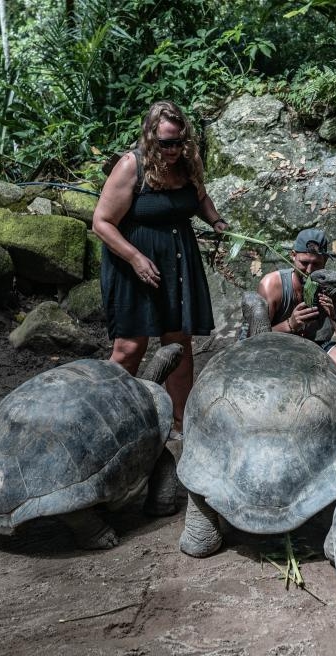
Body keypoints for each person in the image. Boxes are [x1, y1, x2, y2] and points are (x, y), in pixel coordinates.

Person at [92, 99, 228, 439]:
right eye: (166, 143)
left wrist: (216, 220)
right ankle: (104, 420)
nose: (173, 149)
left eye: (179, 141)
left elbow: (199, 197)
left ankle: (181, 424)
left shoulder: (187, 161)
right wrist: (136, 258)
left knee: (178, 344)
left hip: (177, 260)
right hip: (132, 263)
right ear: (151, 137)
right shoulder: (130, 166)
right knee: (130, 348)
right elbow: (102, 223)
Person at [256, 228, 336, 366]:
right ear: (293, 256)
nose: (309, 271)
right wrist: (290, 324)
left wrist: (335, 318)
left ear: (325, 261)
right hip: (275, 348)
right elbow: (255, 339)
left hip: (311, 346)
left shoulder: (331, 286)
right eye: (304, 263)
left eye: (316, 264)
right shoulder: (272, 284)